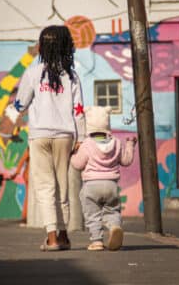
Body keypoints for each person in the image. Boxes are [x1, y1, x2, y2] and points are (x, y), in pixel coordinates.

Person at [9, 25, 86, 251]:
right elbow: (78, 110)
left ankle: (51, 238)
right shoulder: (71, 75)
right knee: (63, 186)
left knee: (44, 187)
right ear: (66, 46)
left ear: (42, 47)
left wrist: (16, 107)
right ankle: (63, 236)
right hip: (65, 136)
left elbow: (21, 104)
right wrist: (80, 137)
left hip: (40, 136)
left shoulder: (33, 72)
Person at [70, 106, 136, 251]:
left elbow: (78, 164)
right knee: (112, 210)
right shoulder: (117, 143)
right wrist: (130, 145)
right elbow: (126, 161)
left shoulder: (87, 144)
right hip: (111, 185)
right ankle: (114, 227)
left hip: (91, 186)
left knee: (92, 213)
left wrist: (72, 154)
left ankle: (97, 241)